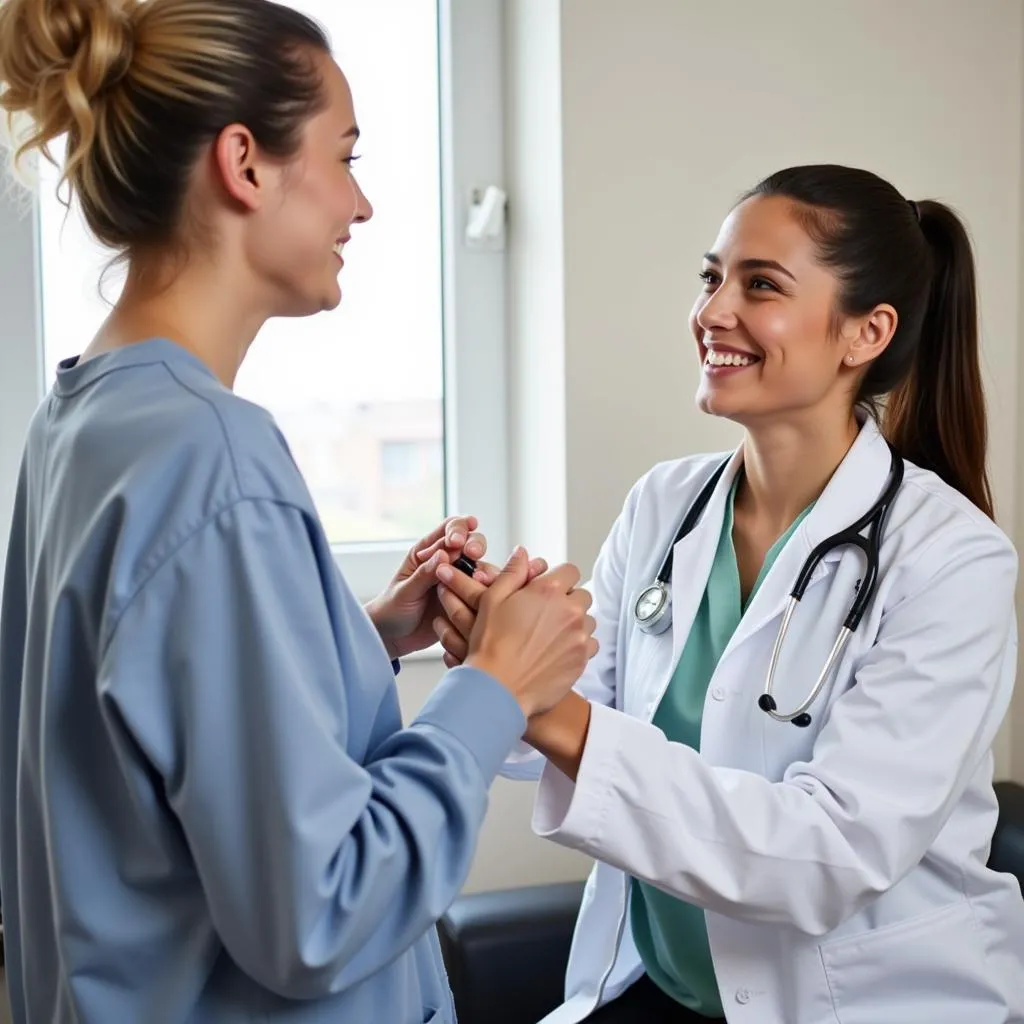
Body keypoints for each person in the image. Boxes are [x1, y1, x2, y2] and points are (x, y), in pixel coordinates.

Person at [0, 1, 598, 1022]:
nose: (359, 206)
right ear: (244, 163)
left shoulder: (82, 420)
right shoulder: (212, 454)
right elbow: (323, 908)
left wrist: (359, 635)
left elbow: (145, 731)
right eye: (345, 155)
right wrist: (498, 683)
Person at [434, 164, 1024, 1023]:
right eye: (712, 278)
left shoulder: (953, 559)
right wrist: (493, 644)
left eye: (760, 285)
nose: (712, 311)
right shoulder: (664, 506)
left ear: (866, 333)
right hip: (659, 986)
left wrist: (543, 703)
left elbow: (830, 855)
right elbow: (570, 718)